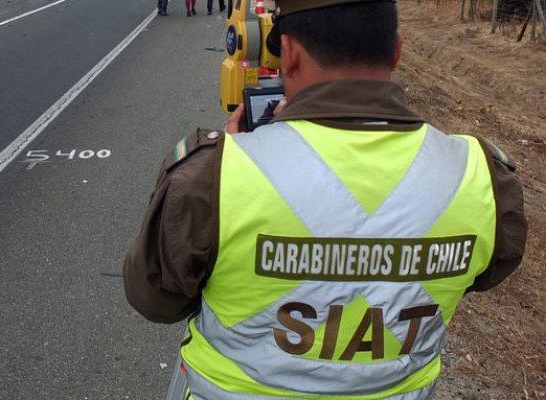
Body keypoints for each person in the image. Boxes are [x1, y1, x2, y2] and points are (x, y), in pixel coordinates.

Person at [123, 0, 528, 398]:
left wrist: (231, 161)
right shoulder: (482, 176)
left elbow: (155, 299)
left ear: (290, 54)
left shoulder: (215, 174)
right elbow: (485, 274)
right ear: (397, 51)